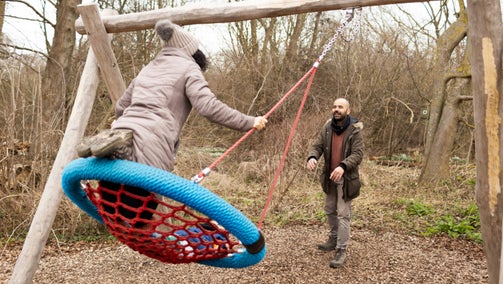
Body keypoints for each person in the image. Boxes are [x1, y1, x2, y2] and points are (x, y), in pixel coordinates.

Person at [77, 19, 268, 227]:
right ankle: (201, 231)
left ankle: (119, 147)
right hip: (151, 147)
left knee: (115, 215)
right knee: (137, 223)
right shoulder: (189, 68)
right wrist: (249, 121)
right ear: (191, 51)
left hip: (123, 135)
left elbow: (122, 105)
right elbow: (208, 106)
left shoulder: (148, 68)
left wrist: (120, 123)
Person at [306, 97, 364, 268]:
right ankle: (333, 238)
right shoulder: (327, 127)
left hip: (346, 179)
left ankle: (341, 249)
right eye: (334, 107)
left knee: (343, 214)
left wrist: (343, 166)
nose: (336, 109)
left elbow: (358, 154)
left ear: (348, 110)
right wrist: (312, 157)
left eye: (340, 107)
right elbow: (317, 145)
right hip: (329, 178)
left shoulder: (355, 130)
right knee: (330, 210)